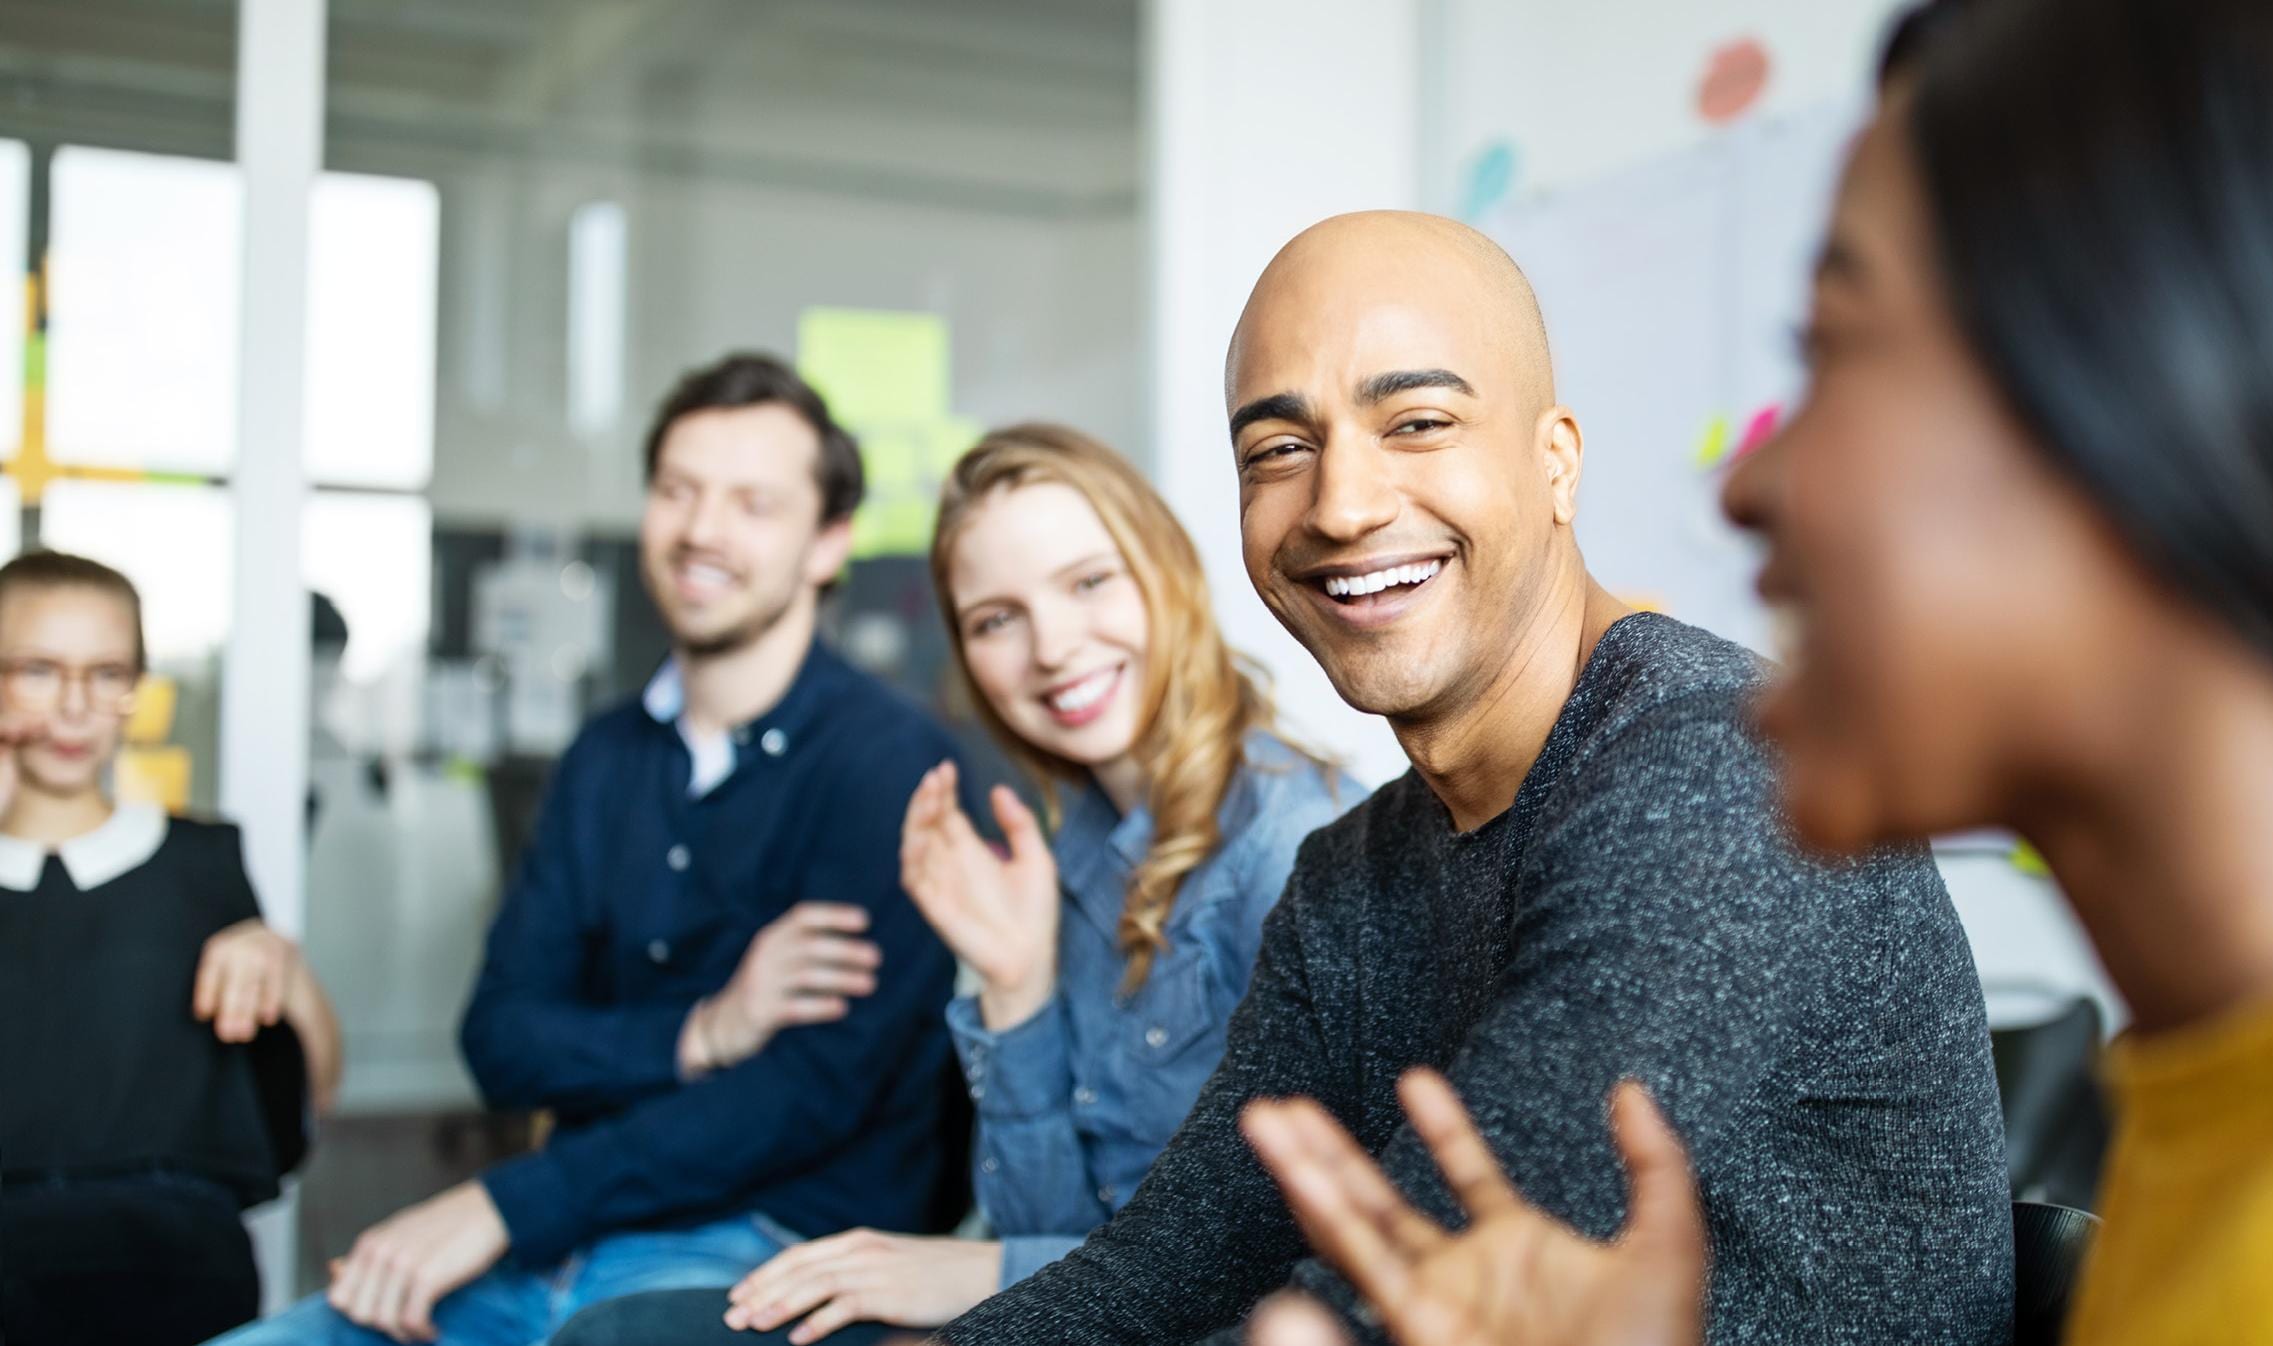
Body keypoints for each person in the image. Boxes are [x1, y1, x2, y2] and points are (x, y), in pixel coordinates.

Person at [1242, 1, 2273, 1343]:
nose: (1749, 483)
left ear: (2151, 413)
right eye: (1273, 448)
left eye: (1838, 352)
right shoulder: (2225, 1116)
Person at [917, 212, 2012, 1346]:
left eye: (1418, 421)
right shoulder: (1348, 875)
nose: (1340, 503)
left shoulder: (1713, 762)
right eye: (1276, 450)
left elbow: (1436, 1275)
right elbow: (1166, 1263)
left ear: (1555, 462)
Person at [209, 353, 969, 1346]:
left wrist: (498, 1205)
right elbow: (500, 1038)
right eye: (676, 490)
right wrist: (697, 1032)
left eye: (752, 503)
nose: (700, 529)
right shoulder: (604, 756)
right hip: (559, 1240)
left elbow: (801, 1097)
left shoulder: (890, 766)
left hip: (763, 1253)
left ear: (827, 541)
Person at [551, 426, 1360, 1346]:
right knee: (620, 1331)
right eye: (995, 620)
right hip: (1063, 1321)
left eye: (1088, 582)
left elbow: (1307, 1270)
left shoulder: (1297, 849)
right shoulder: (1074, 850)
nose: (1051, 646)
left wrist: (976, 1271)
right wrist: (1013, 986)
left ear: (1166, 570)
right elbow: (1044, 1218)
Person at [0, 550, 343, 1346]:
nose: (77, 706)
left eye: (108, 672)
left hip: (171, 1264)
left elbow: (312, 1096)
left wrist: (284, 971)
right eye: (41, 670)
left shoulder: (201, 863)